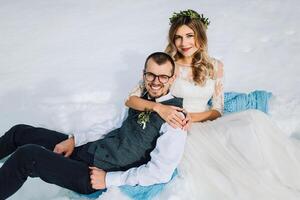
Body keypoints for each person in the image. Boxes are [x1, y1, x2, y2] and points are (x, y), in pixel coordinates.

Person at [125, 9, 300, 199]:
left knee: (253, 123)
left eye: (189, 36)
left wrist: (192, 117)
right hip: (179, 127)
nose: (184, 43)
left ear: (200, 36)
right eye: (178, 37)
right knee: (213, 168)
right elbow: (131, 99)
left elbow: (217, 110)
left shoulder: (215, 66)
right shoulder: (168, 64)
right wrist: (160, 108)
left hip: (204, 121)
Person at [0, 52, 187, 200]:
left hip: (93, 175)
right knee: (20, 132)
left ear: (172, 78)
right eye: (151, 75)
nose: (155, 82)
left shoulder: (175, 121)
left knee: (28, 156)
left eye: (163, 77)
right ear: (143, 74)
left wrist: (108, 179)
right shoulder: (142, 100)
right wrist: (74, 140)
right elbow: (112, 125)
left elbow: (160, 173)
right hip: (87, 149)